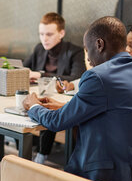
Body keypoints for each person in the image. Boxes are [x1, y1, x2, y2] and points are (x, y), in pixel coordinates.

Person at [22, 16, 132, 181]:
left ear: (99, 44)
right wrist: (63, 106)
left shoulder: (98, 76)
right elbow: (113, 106)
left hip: (116, 180)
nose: (89, 59)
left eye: (88, 49)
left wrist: (33, 106)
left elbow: (56, 122)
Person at [23, 12, 86, 164]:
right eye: (41, 34)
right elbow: (25, 68)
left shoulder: (74, 52)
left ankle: (41, 155)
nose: (44, 38)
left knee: (48, 107)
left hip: (62, 98)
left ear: (61, 33)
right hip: (39, 94)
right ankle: (25, 152)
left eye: (49, 34)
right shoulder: (39, 49)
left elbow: (76, 77)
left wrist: (40, 74)